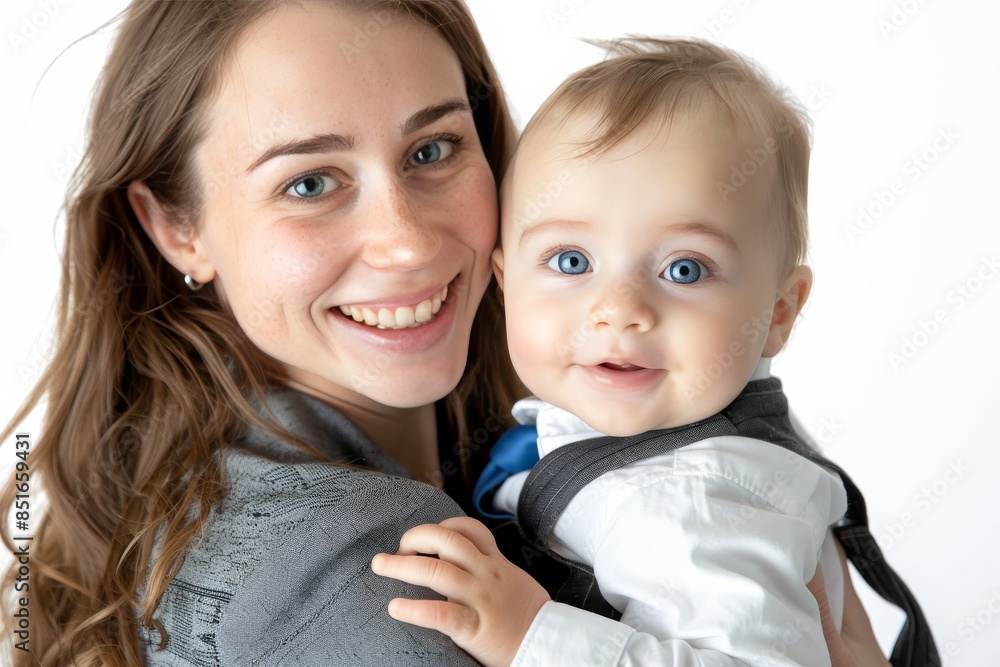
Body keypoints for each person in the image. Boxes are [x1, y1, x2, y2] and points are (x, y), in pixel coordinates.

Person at [0, 2, 885, 665]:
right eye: (310, 182)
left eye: (432, 151)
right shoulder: (394, 574)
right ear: (175, 226)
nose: (409, 241)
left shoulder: (190, 487)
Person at [371, 38, 918, 666]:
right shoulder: (644, 433)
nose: (620, 308)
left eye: (685, 269)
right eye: (571, 261)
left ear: (777, 313)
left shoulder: (692, 498)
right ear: (506, 283)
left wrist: (531, 636)